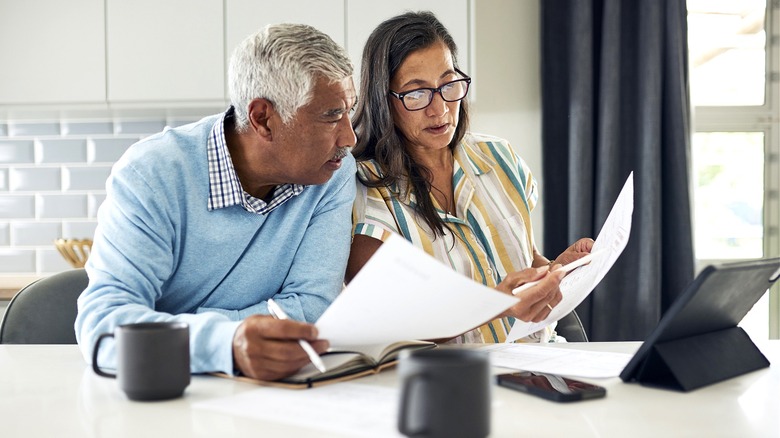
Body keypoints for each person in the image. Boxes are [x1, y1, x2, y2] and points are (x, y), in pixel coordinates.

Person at [75, 23, 358, 381]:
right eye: (331, 115)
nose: (349, 136)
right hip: (163, 391)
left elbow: (312, 310)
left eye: (350, 111)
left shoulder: (332, 172)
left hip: (269, 393)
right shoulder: (153, 173)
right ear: (263, 119)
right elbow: (105, 326)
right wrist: (227, 343)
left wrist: (181, 333)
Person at [346, 11, 593, 343]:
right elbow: (391, 322)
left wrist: (555, 272)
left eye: (448, 84)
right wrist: (498, 305)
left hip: (543, 363)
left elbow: (524, 256)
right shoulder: (362, 193)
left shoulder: (499, 157)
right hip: (453, 382)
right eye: (417, 94)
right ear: (384, 100)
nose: (440, 109)